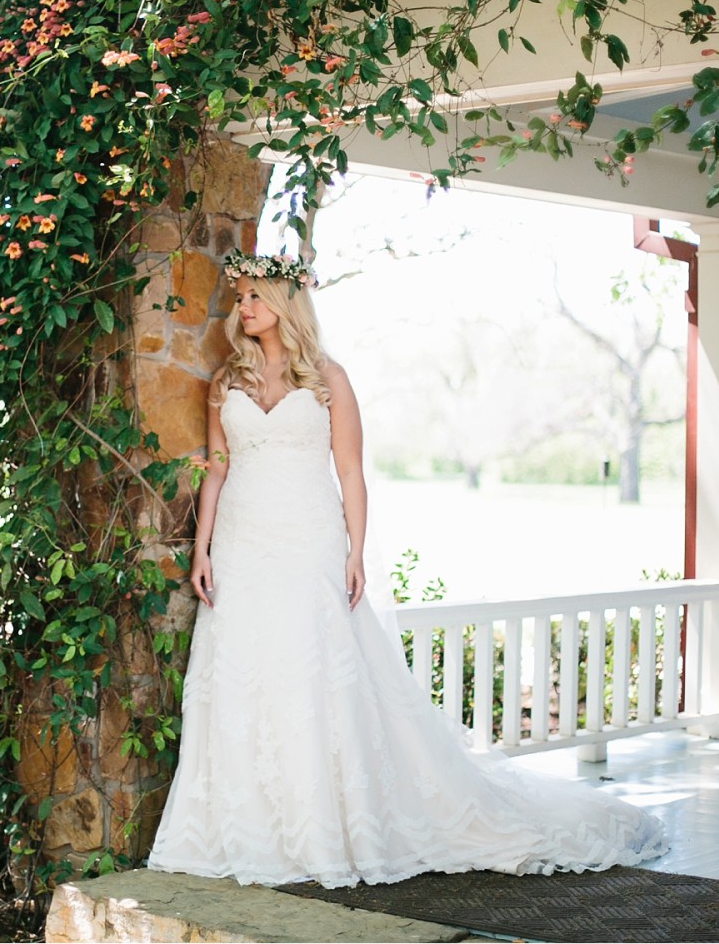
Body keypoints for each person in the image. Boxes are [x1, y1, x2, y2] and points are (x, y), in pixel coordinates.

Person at [145, 252, 668, 888]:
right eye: (240, 297)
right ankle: (250, 824)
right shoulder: (226, 380)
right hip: (242, 542)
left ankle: (328, 824)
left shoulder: (328, 377)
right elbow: (217, 468)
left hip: (310, 540)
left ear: (285, 303)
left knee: (311, 671)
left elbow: (349, 471)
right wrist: (202, 548)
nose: (243, 307)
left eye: (255, 296)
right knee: (243, 671)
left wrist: (355, 551)